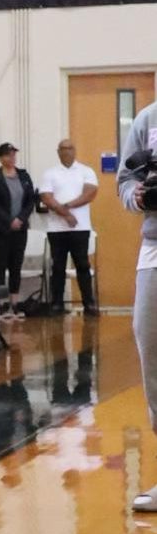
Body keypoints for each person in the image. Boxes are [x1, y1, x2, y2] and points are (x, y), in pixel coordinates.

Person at [120, 101, 157, 510]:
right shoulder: (148, 119)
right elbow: (126, 180)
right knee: (152, 346)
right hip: (155, 250)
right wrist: (138, 195)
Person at [39, 136, 99, 314]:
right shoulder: (49, 173)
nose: (67, 151)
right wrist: (66, 215)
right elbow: (46, 197)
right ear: (58, 153)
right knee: (58, 266)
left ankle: (89, 303)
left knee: (82, 265)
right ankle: (57, 303)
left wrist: (67, 207)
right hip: (56, 229)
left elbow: (90, 193)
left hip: (80, 228)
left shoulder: (86, 171)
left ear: (75, 151)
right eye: (63, 149)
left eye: (70, 148)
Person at [0, 141, 35, 303]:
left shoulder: (24, 176)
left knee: (16, 266)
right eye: (8, 154)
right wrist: (9, 221)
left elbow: (30, 201)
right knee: (0, 266)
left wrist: (21, 219)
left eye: (13, 154)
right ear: (1, 158)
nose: (12, 157)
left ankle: (14, 303)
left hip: (20, 230)